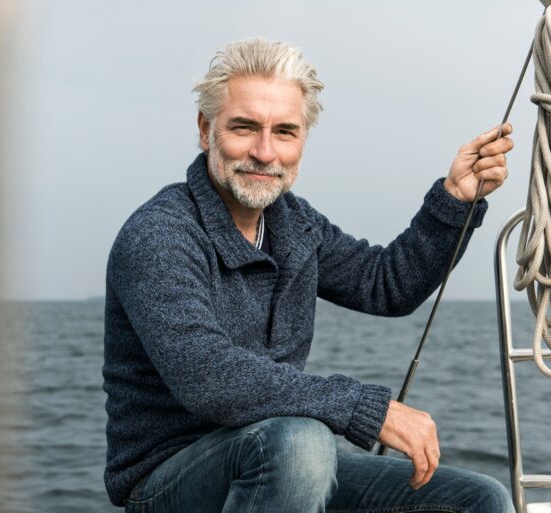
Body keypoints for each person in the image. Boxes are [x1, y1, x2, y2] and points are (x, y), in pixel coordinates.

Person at [102, 38, 515, 513]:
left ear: (302, 140)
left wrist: (455, 200)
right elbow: (209, 377)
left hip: (281, 464)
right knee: (301, 441)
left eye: (285, 132)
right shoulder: (159, 235)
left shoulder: (294, 223)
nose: (264, 152)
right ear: (205, 129)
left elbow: (385, 285)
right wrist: (366, 409)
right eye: (243, 128)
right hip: (166, 485)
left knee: (479, 499)